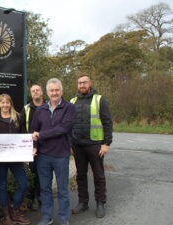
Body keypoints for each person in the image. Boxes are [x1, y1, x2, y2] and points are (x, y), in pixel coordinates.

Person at [31, 78, 75, 225]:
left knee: (62, 189)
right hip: (43, 156)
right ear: (47, 92)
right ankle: (47, 217)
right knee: (45, 189)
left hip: (61, 155)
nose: (54, 93)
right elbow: (34, 129)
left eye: (57, 90)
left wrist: (41, 135)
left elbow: (63, 129)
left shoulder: (69, 107)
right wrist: (35, 145)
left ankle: (63, 218)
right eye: (52, 90)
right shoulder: (40, 109)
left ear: (61, 91)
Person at [70, 74, 113, 218]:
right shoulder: (72, 101)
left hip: (95, 145)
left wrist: (106, 143)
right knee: (81, 175)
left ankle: (100, 202)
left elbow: (107, 122)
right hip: (77, 146)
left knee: (99, 175)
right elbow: (69, 124)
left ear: (90, 83)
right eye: (80, 83)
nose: (82, 85)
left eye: (84, 82)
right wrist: (70, 143)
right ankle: (83, 202)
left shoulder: (99, 99)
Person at [0, 94, 31, 225]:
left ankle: (14, 210)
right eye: (2, 103)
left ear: (10, 104)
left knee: (24, 184)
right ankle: (7, 216)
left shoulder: (17, 117)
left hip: (16, 158)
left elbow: (23, 135)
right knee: (2, 186)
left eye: (7, 103)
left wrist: (29, 148)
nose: (5, 105)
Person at [20, 84, 44, 210]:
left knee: (46, 173)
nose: (35, 92)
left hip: (48, 146)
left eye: (37, 90)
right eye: (33, 91)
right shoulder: (26, 109)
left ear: (42, 92)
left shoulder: (49, 106)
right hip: (32, 148)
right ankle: (36, 197)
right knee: (35, 173)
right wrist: (27, 145)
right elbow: (22, 128)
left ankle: (44, 196)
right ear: (31, 93)